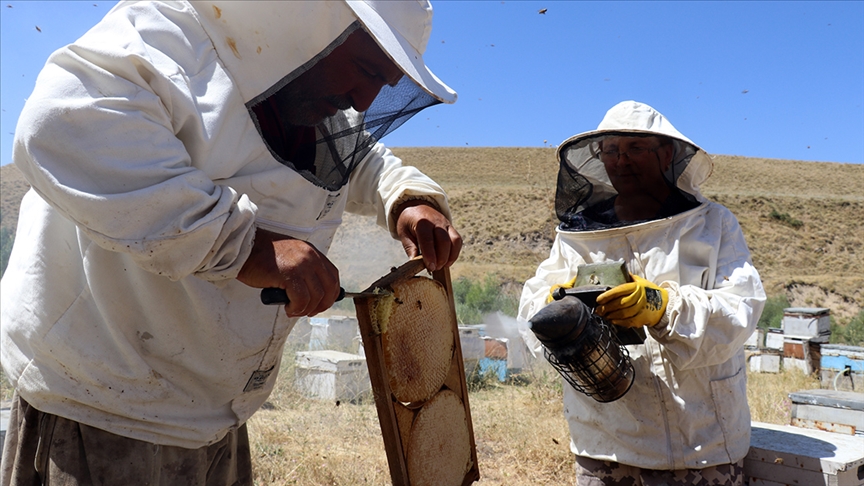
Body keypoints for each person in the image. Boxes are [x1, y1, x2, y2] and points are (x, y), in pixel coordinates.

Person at [0, 1, 462, 484]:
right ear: (312, 22)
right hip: (105, 413)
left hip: (215, 417)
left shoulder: (314, 98)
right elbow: (60, 124)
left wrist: (407, 198)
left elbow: (361, 157)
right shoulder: (170, 35)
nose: (364, 101)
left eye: (384, 84)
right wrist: (247, 246)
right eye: (365, 69)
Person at [518, 101, 766, 485]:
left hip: (704, 444)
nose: (621, 161)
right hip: (608, 446)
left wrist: (662, 307)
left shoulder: (711, 225)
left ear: (666, 153)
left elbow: (741, 309)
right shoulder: (578, 239)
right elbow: (532, 309)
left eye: (635, 148)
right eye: (611, 151)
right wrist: (561, 308)